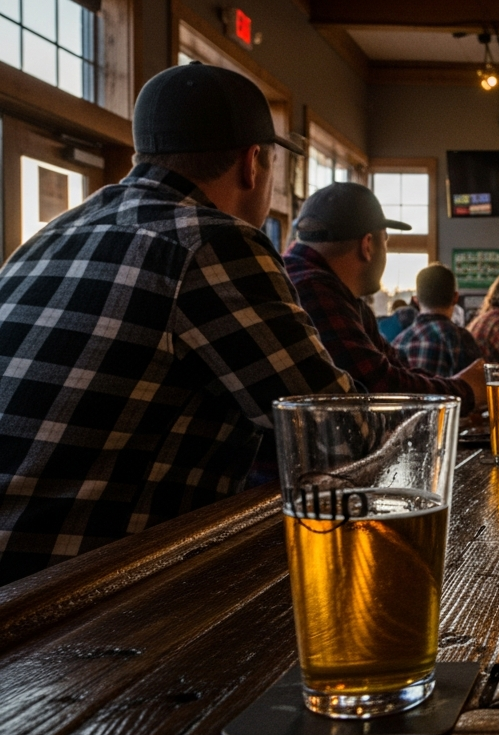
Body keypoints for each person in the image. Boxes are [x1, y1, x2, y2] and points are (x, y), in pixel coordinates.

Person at [0, 63, 358, 584]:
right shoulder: (212, 242)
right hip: (70, 605)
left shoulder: (48, 237)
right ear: (252, 164)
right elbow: (338, 430)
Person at [283, 182, 486, 404]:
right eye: (386, 241)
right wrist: (466, 390)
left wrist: (456, 386)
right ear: (367, 245)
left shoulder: (337, 293)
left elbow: (396, 369)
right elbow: (380, 389)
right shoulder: (312, 288)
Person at [392, 264, 484, 377]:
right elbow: (478, 384)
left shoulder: (398, 342)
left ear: (416, 300)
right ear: (455, 298)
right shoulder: (462, 339)